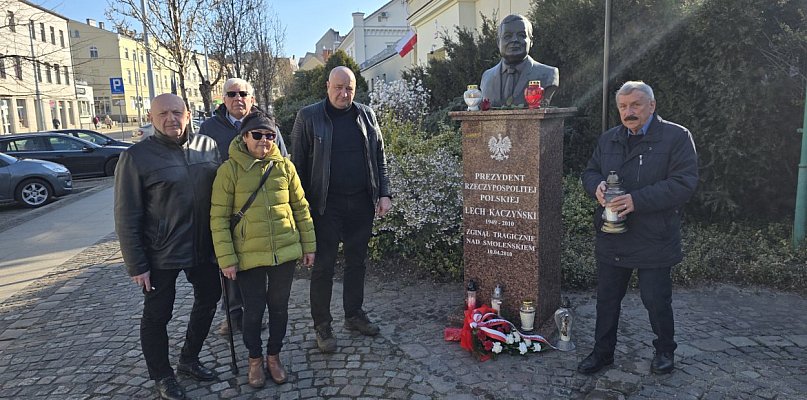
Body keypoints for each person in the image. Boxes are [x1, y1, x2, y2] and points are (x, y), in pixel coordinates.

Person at [579, 81, 698, 375]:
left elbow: (684, 184)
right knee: (606, 300)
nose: (628, 112)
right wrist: (596, 186)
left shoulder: (677, 137)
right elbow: (590, 171)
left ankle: (665, 352)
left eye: (635, 105)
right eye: (623, 106)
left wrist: (637, 200)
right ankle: (602, 353)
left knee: (656, 300)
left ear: (652, 106)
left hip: (654, 236)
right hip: (612, 234)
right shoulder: (608, 139)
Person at [114, 93, 222, 400]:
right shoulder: (136, 157)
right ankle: (162, 375)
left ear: (188, 115)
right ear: (152, 118)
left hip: (204, 246)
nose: (170, 118)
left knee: (209, 299)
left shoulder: (208, 146)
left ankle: (189, 358)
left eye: (177, 112)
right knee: (157, 315)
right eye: (163, 114)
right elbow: (126, 214)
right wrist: (136, 264)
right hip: (161, 251)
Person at [210, 111, 315, 388]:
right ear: (244, 137)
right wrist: (227, 259)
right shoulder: (228, 171)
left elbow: (301, 208)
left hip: (284, 250)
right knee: (253, 310)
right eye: (258, 134)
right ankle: (254, 360)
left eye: (270, 135)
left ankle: (273, 356)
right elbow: (219, 220)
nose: (264, 141)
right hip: (248, 255)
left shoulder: (285, 167)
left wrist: (309, 246)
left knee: (279, 309)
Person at [291, 66, 392, 353]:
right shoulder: (308, 117)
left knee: (356, 262)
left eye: (348, 88)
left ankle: (353, 315)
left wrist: (384, 193)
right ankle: (322, 326)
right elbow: (296, 167)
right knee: (323, 267)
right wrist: (301, 210)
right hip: (325, 205)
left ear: (355, 89)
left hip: (361, 202)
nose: (343, 93)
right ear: (327, 86)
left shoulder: (366, 114)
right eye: (338, 87)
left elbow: (379, 156)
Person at [198, 77, 288, 336]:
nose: (238, 98)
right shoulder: (209, 128)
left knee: (255, 268)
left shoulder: (267, 125)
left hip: (260, 210)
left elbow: (281, 162)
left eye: (243, 93)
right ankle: (232, 313)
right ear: (223, 99)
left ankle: (253, 313)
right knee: (228, 264)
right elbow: (199, 167)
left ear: (252, 98)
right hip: (227, 207)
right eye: (231, 94)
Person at [480, 14, 559, 107]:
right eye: (507, 36)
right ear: (498, 42)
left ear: (531, 41)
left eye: (521, 35)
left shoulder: (548, 74)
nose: (514, 40)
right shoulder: (487, 77)